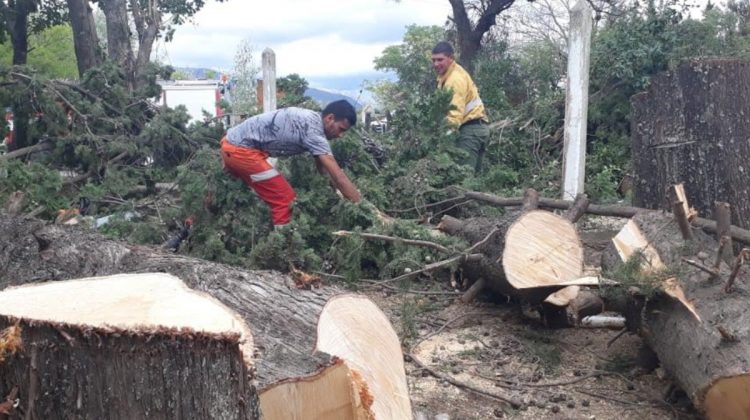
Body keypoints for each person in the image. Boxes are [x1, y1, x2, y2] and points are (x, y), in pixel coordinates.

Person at [220, 100, 362, 227]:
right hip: (241, 152)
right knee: (286, 199)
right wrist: (362, 207)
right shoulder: (314, 132)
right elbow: (339, 176)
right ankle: (283, 247)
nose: (341, 135)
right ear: (330, 118)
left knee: (242, 190)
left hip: (230, 144)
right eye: (341, 129)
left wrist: (334, 190)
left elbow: (324, 168)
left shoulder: (313, 119)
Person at [431, 41, 490, 173]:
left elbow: (454, 114)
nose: (436, 64)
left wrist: (444, 140)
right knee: (474, 179)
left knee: (464, 178)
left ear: (451, 58)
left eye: (440, 60)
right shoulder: (451, 75)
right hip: (478, 129)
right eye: (433, 60)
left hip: (470, 131)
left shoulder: (454, 80)